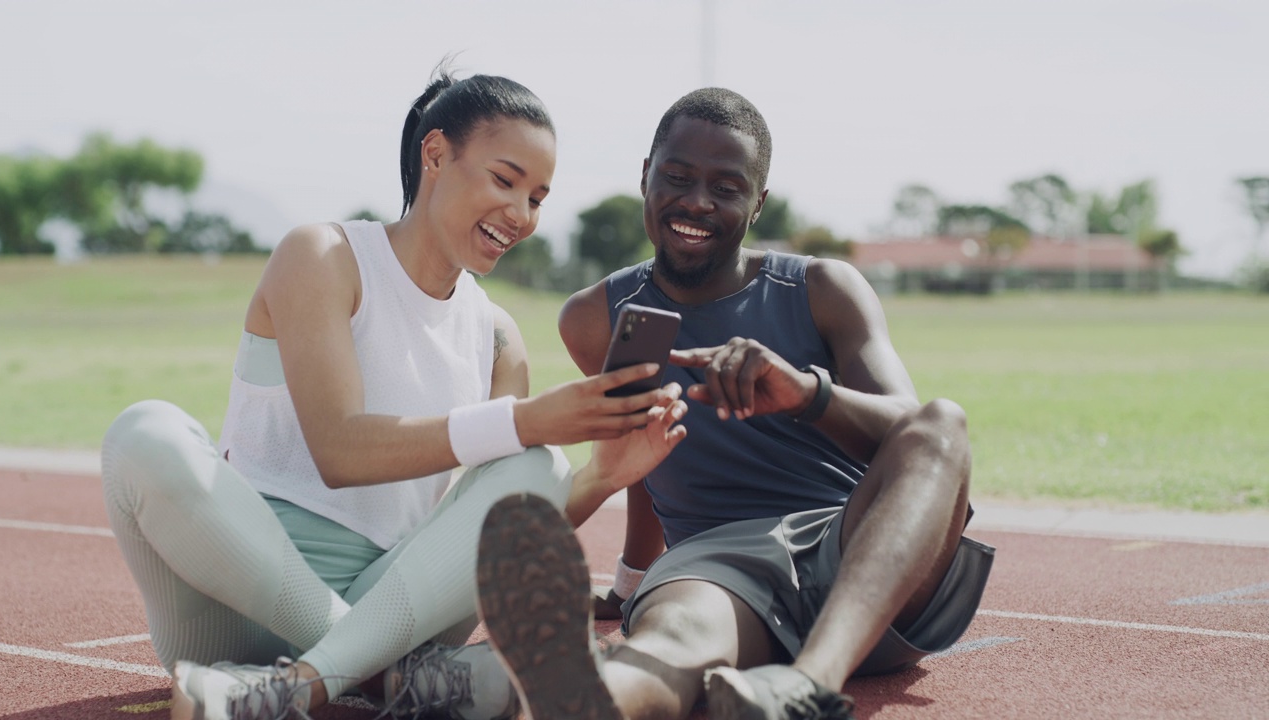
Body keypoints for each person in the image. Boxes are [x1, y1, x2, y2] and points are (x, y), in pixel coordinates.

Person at [99, 65, 686, 720]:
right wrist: (525, 419)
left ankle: (307, 683)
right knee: (143, 433)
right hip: (233, 610)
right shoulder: (322, 256)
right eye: (504, 181)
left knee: (539, 465)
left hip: (399, 601)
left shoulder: (497, 335)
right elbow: (339, 450)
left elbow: (501, 531)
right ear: (435, 154)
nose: (521, 215)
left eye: (539, 198)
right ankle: (390, 678)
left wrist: (604, 475)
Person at [451, 87, 996, 720]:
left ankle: (808, 687)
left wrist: (806, 394)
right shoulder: (595, 317)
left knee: (944, 421)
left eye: (726, 187)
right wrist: (631, 579)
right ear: (646, 177)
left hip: (861, 556)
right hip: (715, 575)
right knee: (659, 654)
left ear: (757, 202)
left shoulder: (823, 288)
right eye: (677, 177)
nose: (697, 202)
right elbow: (644, 458)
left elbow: (921, 443)